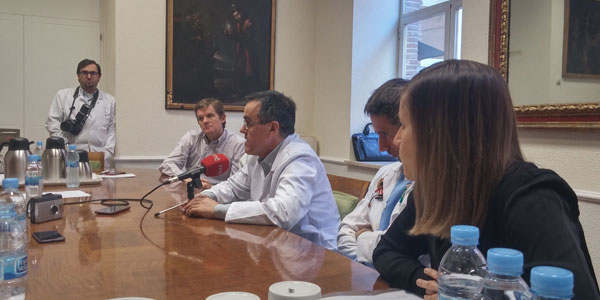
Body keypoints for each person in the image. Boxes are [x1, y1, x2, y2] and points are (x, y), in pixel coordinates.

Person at [372, 60, 599, 299]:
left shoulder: (532, 199)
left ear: (442, 135)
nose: (397, 140)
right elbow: (387, 251)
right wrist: (430, 283)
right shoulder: (435, 190)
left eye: (404, 126)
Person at [182, 90, 340, 250]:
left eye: (248, 123)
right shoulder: (257, 154)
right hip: (277, 244)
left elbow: (284, 212)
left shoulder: (300, 158)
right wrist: (206, 196)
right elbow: (233, 187)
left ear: (272, 128)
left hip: (313, 254)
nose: (242, 129)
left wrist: (215, 209)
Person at [337, 79, 413, 264]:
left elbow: (400, 249)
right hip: (368, 275)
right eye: (376, 134)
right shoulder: (385, 174)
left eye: (385, 134)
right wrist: (376, 257)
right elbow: (346, 230)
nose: (381, 146)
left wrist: (363, 237)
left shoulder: (429, 185)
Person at [45, 59, 116, 170]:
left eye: (93, 73)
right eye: (84, 73)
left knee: (100, 186)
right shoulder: (63, 96)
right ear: (78, 75)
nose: (88, 76)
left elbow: (111, 130)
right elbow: (52, 123)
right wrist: (66, 146)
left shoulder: (109, 100)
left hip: (99, 158)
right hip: (71, 156)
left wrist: (107, 153)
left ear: (99, 76)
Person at [158, 98, 245, 188]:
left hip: (220, 194)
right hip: (191, 189)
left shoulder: (238, 144)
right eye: (200, 118)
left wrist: (211, 188)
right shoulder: (191, 137)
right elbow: (167, 164)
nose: (205, 121)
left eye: (210, 116)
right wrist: (186, 178)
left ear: (223, 118)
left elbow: (235, 185)